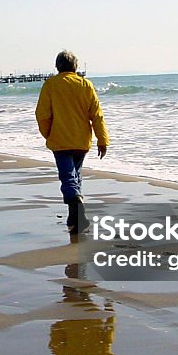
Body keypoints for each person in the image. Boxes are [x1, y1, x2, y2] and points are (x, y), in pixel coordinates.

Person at [35, 50, 109, 232]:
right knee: (75, 176)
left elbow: (42, 115)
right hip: (82, 140)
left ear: (57, 66)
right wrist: (102, 139)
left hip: (60, 140)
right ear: (75, 66)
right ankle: (74, 217)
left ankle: (77, 202)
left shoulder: (51, 85)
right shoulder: (86, 85)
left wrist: (48, 134)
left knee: (68, 177)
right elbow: (97, 115)